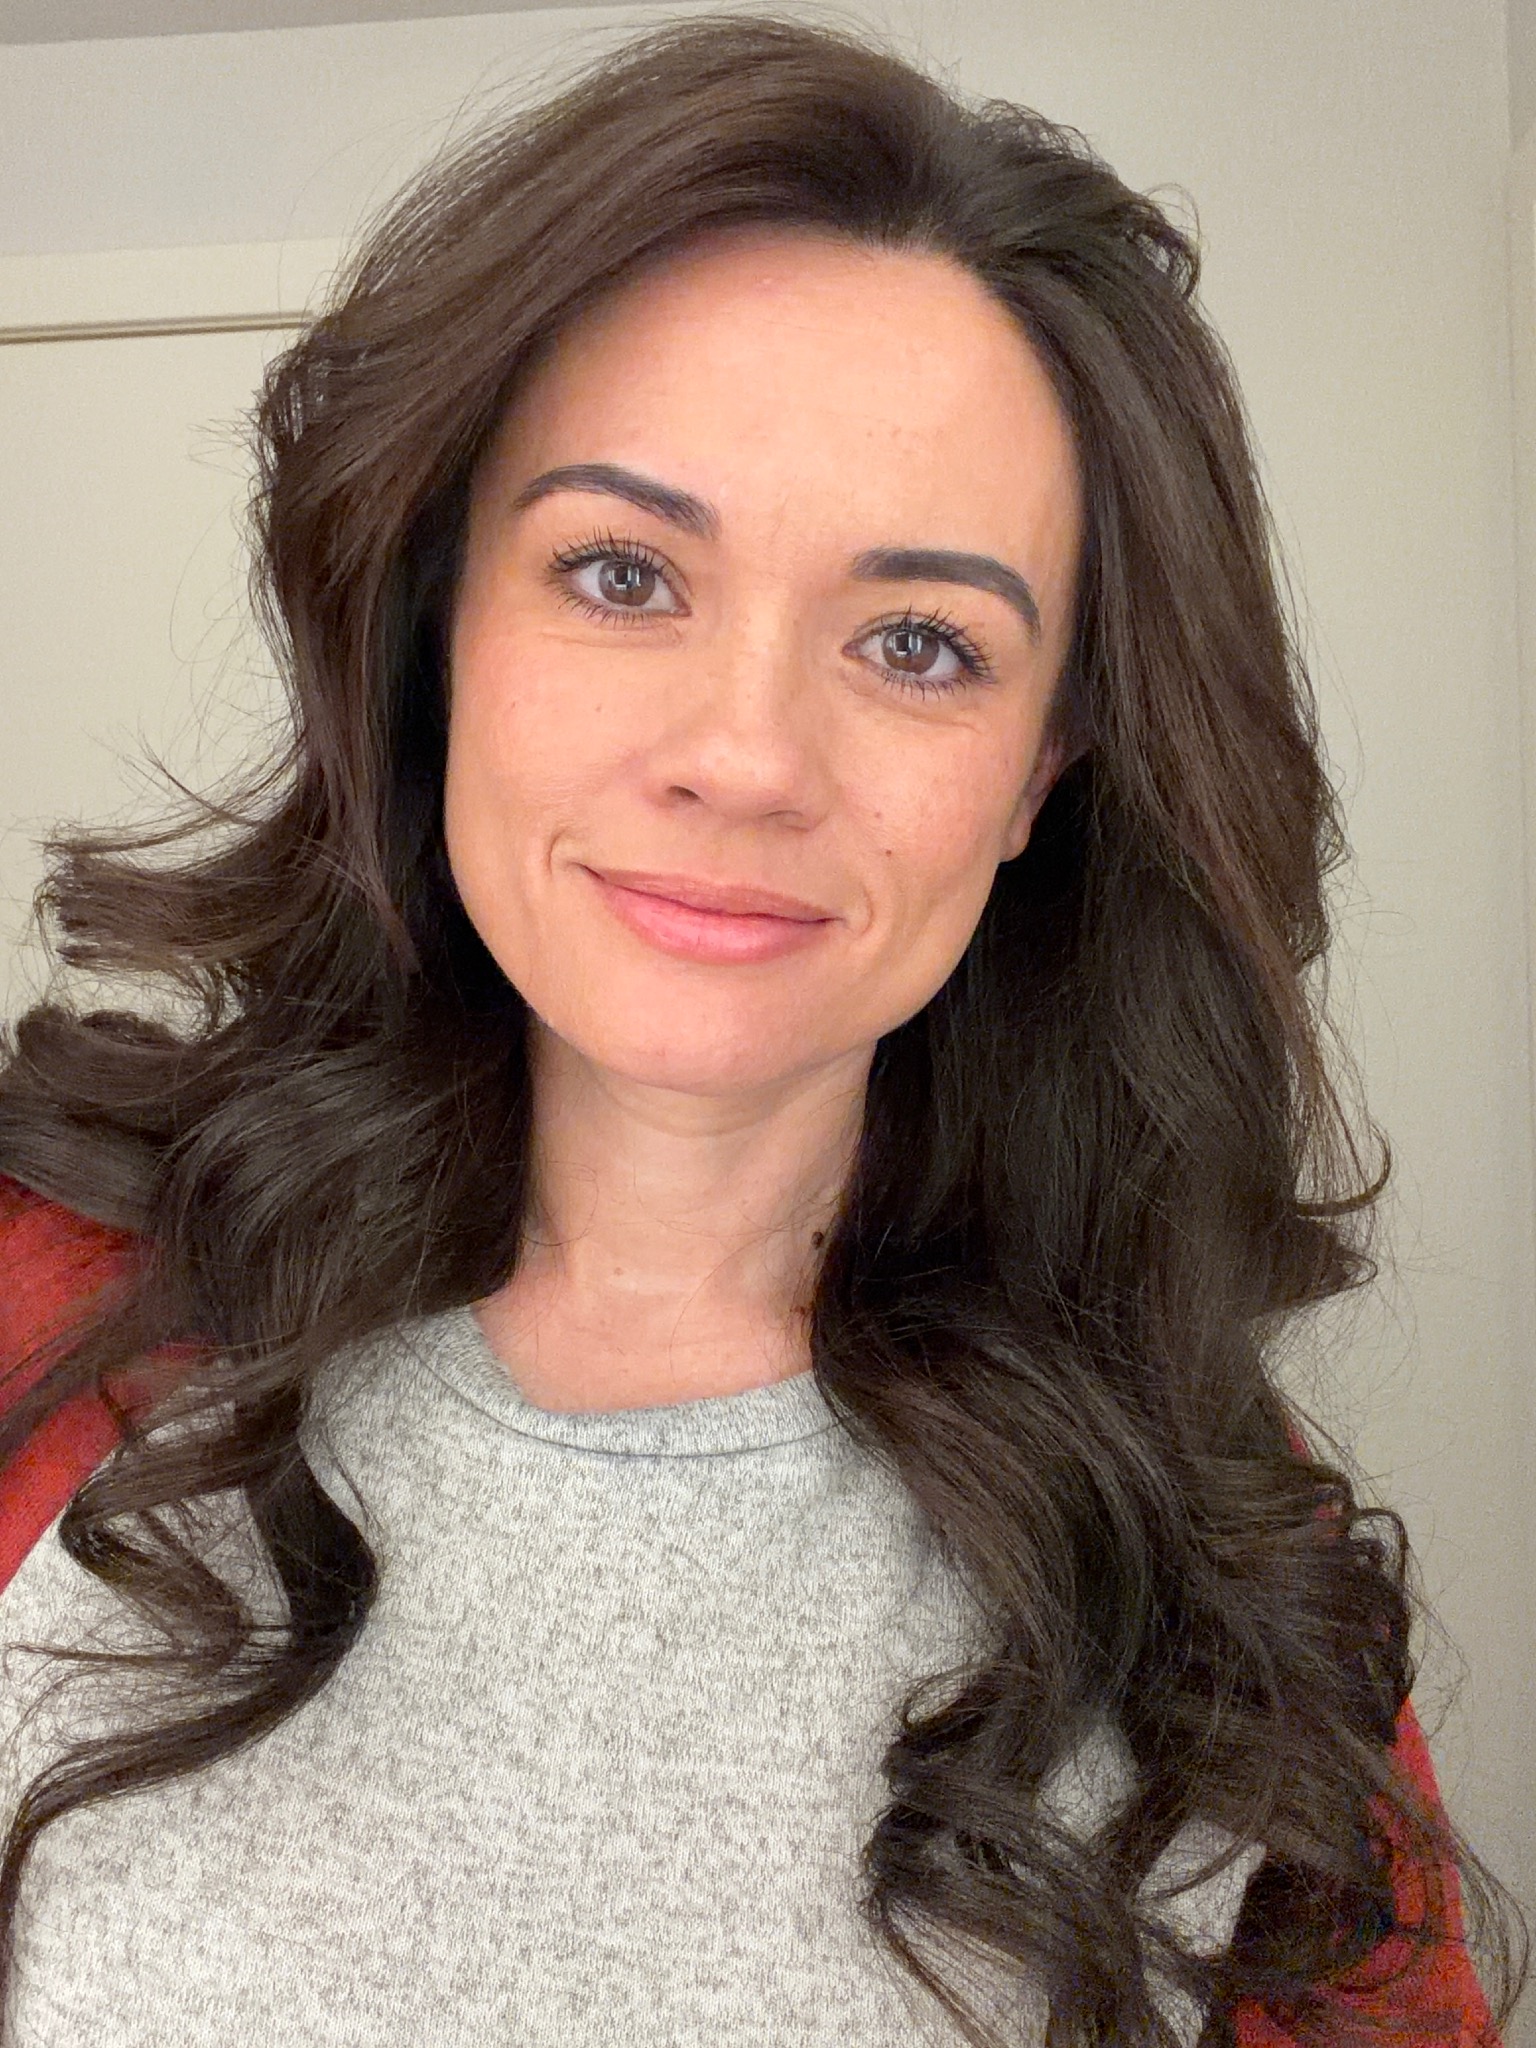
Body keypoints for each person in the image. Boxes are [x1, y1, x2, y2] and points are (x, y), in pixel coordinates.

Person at [0, 13, 1522, 2046]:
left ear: (1044, 765)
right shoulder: (43, 1311)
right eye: (623, 574)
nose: (745, 755)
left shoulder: (1217, 1553)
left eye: (920, 642)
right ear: (441, 630)